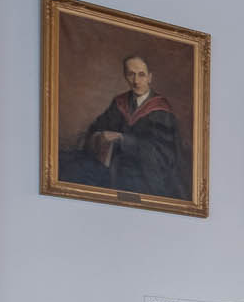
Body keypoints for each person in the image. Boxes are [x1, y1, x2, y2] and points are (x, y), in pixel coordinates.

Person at [62, 54, 188, 200]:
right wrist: (99, 136)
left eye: (141, 75)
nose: (136, 81)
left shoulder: (161, 110)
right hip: (115, 168)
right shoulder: (119, 103)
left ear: (150, 77)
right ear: (125, 76)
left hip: (148, 174)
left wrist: (122, 139)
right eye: (131, 75)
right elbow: (97, 127)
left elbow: (161, 152)